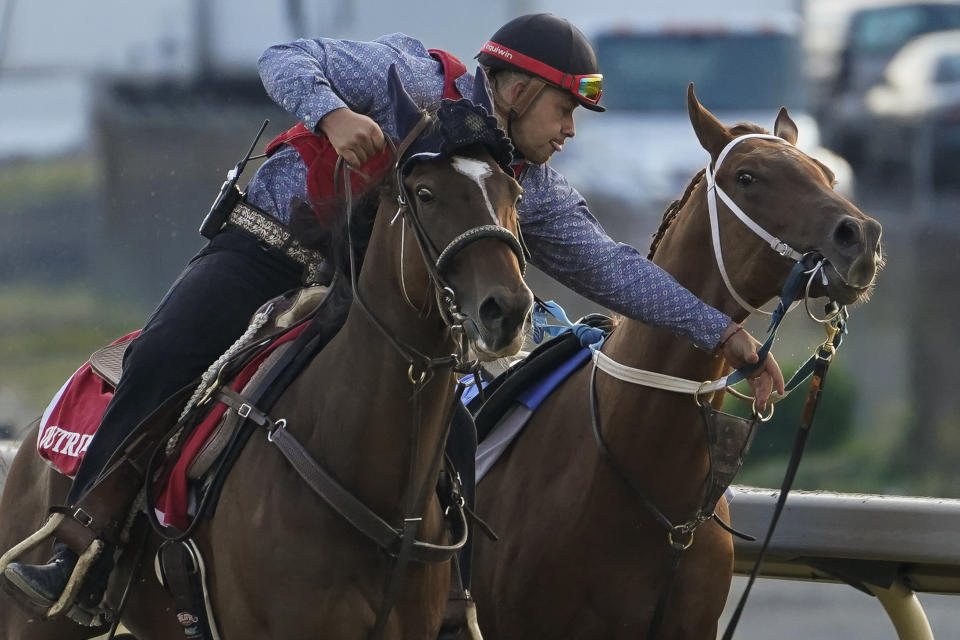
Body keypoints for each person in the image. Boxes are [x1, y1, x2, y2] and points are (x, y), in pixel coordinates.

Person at [3, 12, 783, 618]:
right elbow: (286, 58)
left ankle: (451, 605)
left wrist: (724, 334)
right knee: (167, 354)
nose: (570, 131)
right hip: (266, 254)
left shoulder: (526, 183)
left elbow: (611, 268)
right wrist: (333, 115)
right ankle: (84, 542)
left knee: (459, 428)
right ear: (515, 88)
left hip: (369, 301)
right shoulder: (406, 74)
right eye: (565, 108)